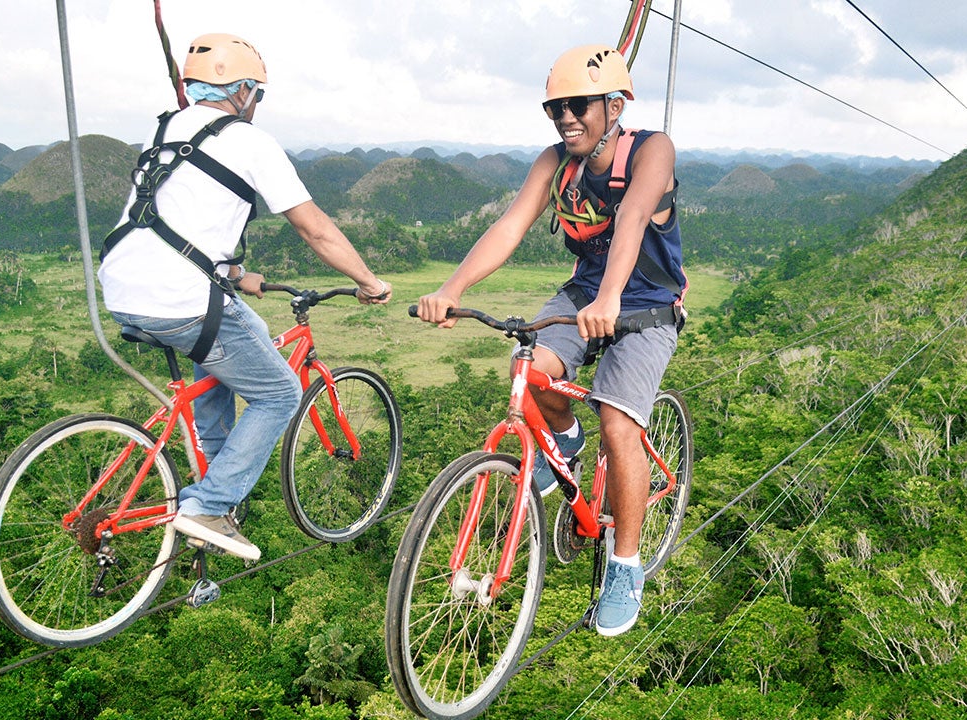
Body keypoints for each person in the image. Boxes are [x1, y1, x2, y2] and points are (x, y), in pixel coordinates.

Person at [416, 44, 685, 636]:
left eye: (579, 105)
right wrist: (453, 287)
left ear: (614, 106)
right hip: (584, 294)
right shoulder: (555, 162)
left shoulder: (652, 149)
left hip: (645, 306)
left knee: (620, 423)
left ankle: (625, 566)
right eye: (556, 107)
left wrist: (611, 297)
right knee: (532, 372)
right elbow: (510, 224)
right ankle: (564, 439)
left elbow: (634, 219)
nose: (566, 117)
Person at [98, 33, 392, 562]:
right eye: (258, 94)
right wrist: (368, 281)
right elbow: (315, 228)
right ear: (245, 91)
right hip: (181, 299)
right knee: (279, 392)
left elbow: (175, 210)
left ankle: (212, 466)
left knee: (238, 341)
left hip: (123, 285)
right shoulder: (251, 140)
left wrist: (233, 271)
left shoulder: (161, 125)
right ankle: (209, 504)